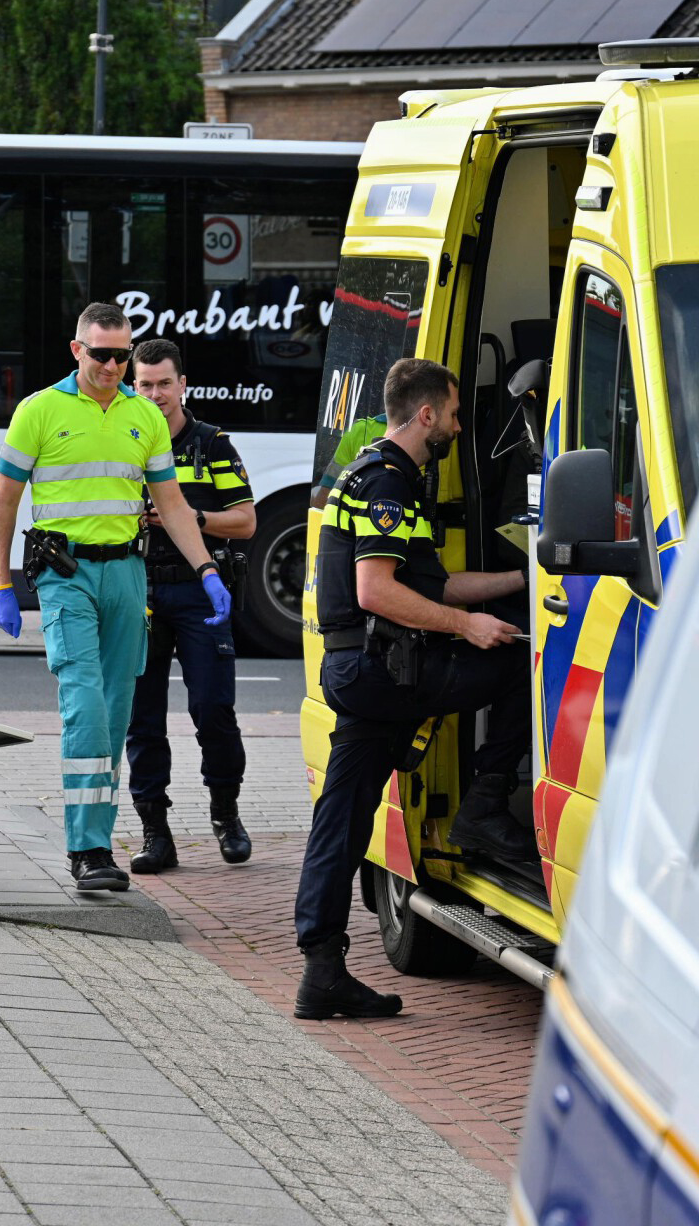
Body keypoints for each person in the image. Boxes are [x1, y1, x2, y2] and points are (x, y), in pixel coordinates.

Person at [297, 356, 531, 1020]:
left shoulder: (373, 471)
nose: (458, 426)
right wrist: (469, 627)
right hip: (385, 672)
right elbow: (377, 591)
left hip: (364, 670)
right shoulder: (390, 482)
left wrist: (525, 580)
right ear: (427, 414)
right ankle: (484, 806)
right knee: (521, 664)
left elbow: (437, 585)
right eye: (454, 414)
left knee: (341, 820)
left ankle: (321, 969)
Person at [0, 303, 233, 892]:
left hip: (127, 575)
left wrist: (206, 569)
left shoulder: (143, 416)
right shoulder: (39, 410)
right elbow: (4, 501)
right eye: (102, 354)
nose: (114, 366)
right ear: (77, 350)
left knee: (118, 712)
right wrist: (1, 583)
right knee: (87, 707)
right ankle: (88, 850)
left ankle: (98, 840)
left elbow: (171, 504)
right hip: (65, 573)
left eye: (123, 355)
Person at [125, 339, 256, 873]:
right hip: (137, 591)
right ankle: (155, 832)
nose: (155, 394)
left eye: (164, 383)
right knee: (142, 718)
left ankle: (226, 814)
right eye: (145, 385)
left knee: (213, 710)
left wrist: (189, 517)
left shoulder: (212, 444)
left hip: (199, 591)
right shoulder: (122, 442)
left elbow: (246, 521)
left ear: (183, 385)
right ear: (133, 387)